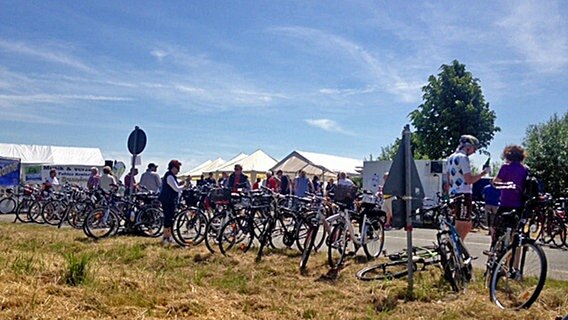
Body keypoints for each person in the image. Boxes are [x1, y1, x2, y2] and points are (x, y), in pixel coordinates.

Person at [446, 135, 489, 240]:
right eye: (474, 149)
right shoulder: (463, 158)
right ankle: (455, 249)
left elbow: (447, 179)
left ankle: (456, 248)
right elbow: (469, 180)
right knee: (463, 224)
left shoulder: (450, 158)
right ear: (468, 147)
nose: (474, 152)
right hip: (463, 194)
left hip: (453, 193)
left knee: (465, 224)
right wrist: (483, 173)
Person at [159, 160, 186, 245]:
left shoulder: (171, 176)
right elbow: (176, 188)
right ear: (173, 168)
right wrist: (184, 186)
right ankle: (166, 237)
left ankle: (168, 237)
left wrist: (180, 184)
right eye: (177, 168)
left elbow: (175, 186)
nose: (178, 170)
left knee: (170, 219)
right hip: (168, 200)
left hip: (170, 200)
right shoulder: (169, 176)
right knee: (168, 218)